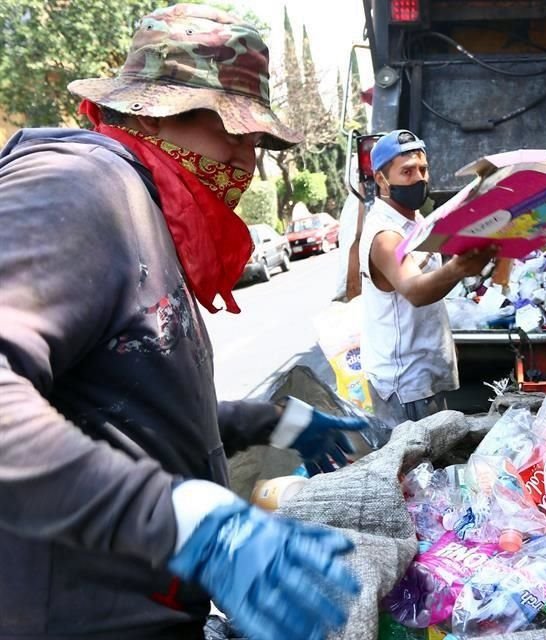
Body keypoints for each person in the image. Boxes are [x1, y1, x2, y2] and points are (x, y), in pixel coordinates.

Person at [0, 5, 367, 639]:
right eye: (237, 135)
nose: (249, 166)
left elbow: (123, 408)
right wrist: (179, 519)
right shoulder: (80, 187)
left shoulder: (145, 210)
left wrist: (271, 422)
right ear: (152, 112)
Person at [359, 130, 497, 428]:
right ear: (381, 179)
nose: (419, 178)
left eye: (423, 169)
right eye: (406, 172)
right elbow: (415, 291)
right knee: (417, 471)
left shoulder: (415, 220)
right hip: (405, 385)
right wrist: (460, 268)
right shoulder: (385, 235)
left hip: (424, 373)